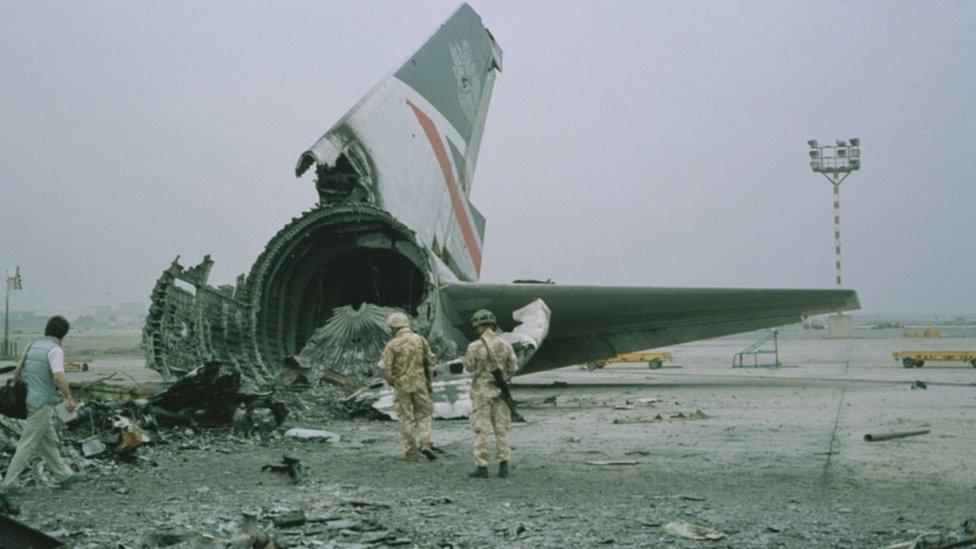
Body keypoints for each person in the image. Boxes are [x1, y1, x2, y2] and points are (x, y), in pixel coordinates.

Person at [2, 316, 78, 493]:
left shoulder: (32, 346)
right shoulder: (55, 350)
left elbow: (18, 372)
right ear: (63, 334)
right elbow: (58, 377)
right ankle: (8, 483)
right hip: (42, 404)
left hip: (29, 400)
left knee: (49, 441)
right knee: (28, 443)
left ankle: (64, 475)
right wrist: (69, 397)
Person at [463, 309, 518, 478]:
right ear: (493, 324)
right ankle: (504, 466)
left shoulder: (474, 346)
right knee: (501, 429)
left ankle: (482, 466)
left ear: (478, 326)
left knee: (482, 430)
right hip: (500, 393)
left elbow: (468, 369)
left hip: (481, 394)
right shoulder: (506, 344)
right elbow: (513, 368)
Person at [378, 312, 437, 461]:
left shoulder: (392, 344)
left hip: (402, 385)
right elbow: (430, 363)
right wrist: (429, 383)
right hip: (420, 384)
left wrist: (392, 382)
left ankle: (411, 452)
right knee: (424, 416)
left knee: (405, 418)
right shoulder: (420, 340)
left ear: (393, 328)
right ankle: (426, 443)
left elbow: (384, 368)